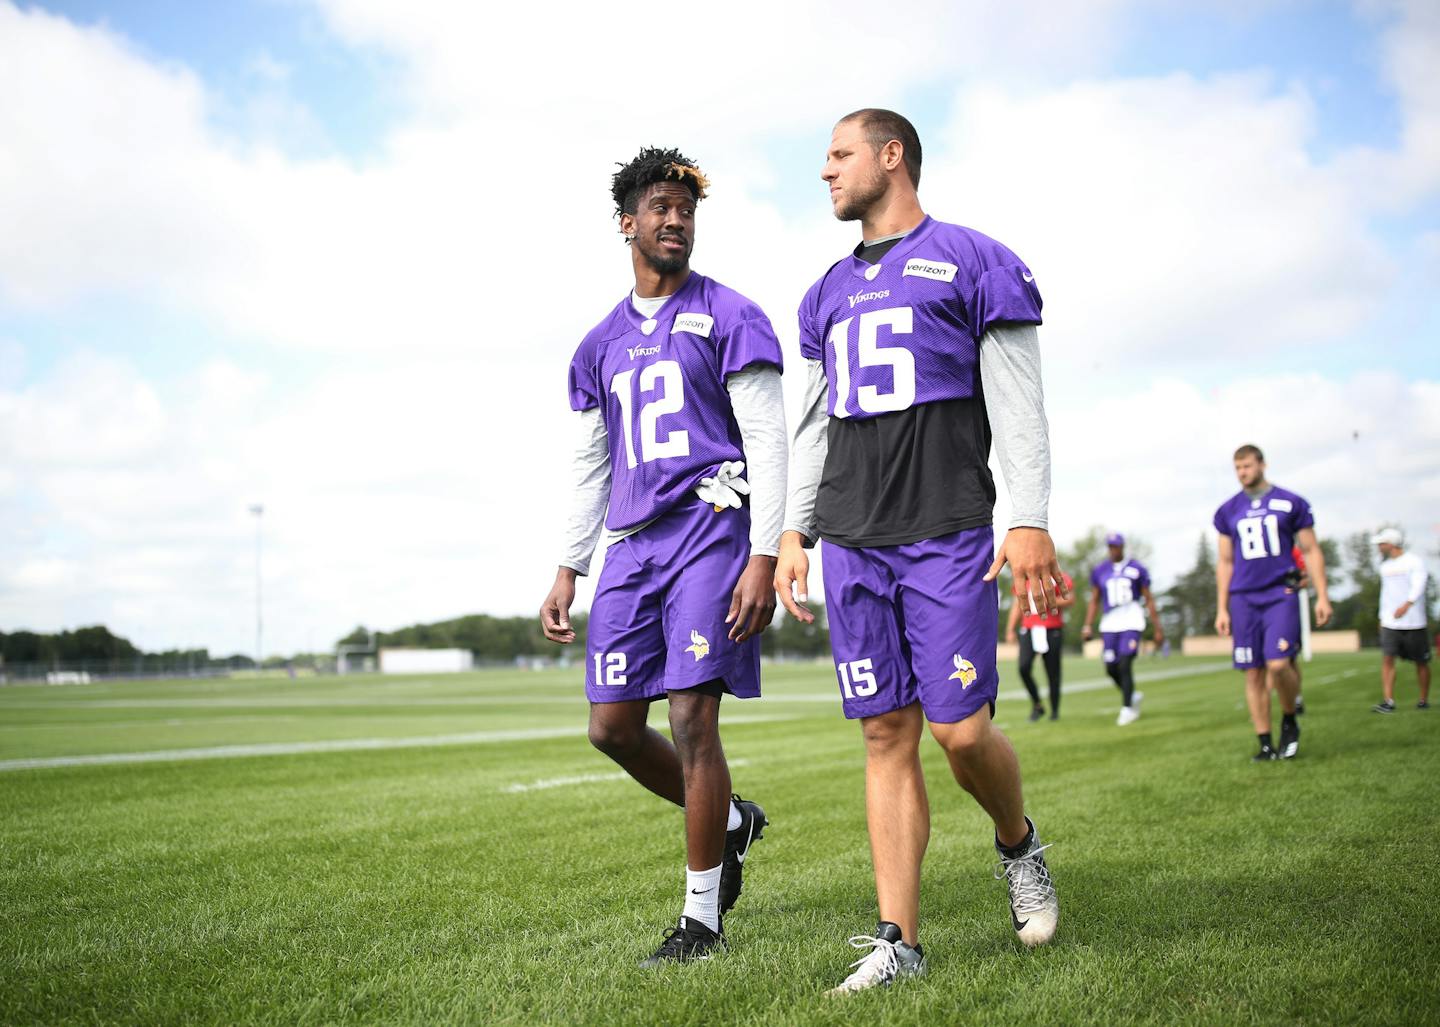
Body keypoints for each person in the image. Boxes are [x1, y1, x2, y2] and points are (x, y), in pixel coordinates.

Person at [774, 109, 1064, 994]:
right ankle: (897, 937)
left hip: (945, 525)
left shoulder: (974, 259)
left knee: (960, 730)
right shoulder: (824, 292)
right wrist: (794, 530)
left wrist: (1031, 517)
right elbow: (816, 422)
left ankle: (1018, 843)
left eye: (840, 154)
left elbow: (1017, 400)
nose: (825, 171)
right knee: (885, 732)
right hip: (855, 535)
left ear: (890, 157)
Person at [538, 148, 787, 965]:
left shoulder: (731, 313)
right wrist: (569, 565)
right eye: (660, 206)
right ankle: (729, 821)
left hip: (711, 529)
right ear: (627, 222)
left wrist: (764, 551)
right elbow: (591, 464)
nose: (675, 218)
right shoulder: (598, 344)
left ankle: (701, 921)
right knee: (611, 727)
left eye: (685, 207)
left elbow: (767, 439)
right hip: (632, 546)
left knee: (690, 716)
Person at [1214, 445, 1331, 761]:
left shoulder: (1290, 502)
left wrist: (1322, 594)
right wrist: (1222, 607)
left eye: (1247, 466)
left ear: (1262, 464)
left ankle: (1290, 718)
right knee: (1253, 672)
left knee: (1279, 664)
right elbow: (1225, 561)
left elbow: (1311, 551)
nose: (1243, 472)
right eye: (1237, 467)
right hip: (1243, 598)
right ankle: (1265, 742)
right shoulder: (1228, 510)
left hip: (1280, 593)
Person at [1081, 534, 1163, 726]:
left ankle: (1127, 708)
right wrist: (1087, 625)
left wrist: (1158, 627)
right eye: (1110, 546)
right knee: (1111, 667)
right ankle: (1132, 695)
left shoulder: (1137, 569)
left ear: (1122, 547)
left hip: (1131, 619)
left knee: (1125, 663)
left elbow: (1148, 598)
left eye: (1116, 546)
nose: (1113, 550)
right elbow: (1094, 600)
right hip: (1110, 622)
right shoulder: (1101, 570)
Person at [1370, 527, 1431, 713]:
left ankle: (1423, 700)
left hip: (1414, 621)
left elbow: (1419, 585)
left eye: (1381, 543)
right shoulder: (1385, 566)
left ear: (1391, 543)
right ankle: (1388, 701)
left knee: (1421, 661)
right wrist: (1382, 617)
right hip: (1390, 622)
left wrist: (1407, 605)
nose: (1379, 547)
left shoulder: (1414, 562)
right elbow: (1385, 594)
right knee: (1388, 658)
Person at [1005, 571, 1075, 721]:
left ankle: (1055, 711)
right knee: (1023, 668)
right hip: (1029, 627)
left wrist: (1049, 601)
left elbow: (1069, 599)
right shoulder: (1023, 578)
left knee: (1053, 672)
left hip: (1052, 627)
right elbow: (1017, 604)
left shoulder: (1057, 576)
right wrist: (1010, 629)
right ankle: (1037, 704)